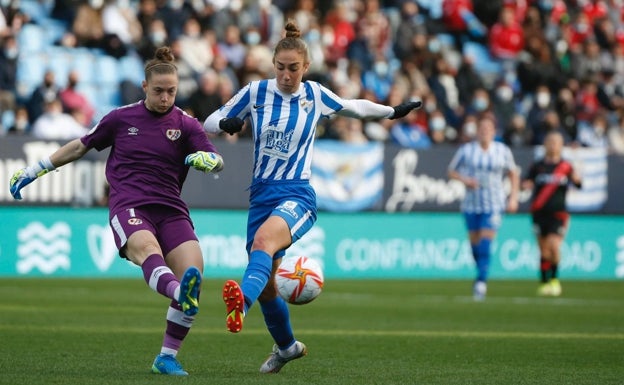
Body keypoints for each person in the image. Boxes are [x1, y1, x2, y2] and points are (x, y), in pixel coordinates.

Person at [202, 21, 421, 373]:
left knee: (262, 243)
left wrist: (392, 111)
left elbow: (354, 106)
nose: (286, 75)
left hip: (297, 195)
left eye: (293, 69)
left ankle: (240, 304)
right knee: (269, 286)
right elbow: (210, 119)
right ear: (273, 66)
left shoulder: (314, 95)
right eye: (280, 68)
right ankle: (287, 347)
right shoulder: (255, 92)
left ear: (305, 68)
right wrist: (225, 124)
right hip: (260, 196)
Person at [9, 46, 224, 376]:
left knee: (195, 271)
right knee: (147, 251)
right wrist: (35, 169)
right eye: (158, 91)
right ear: (144, 87)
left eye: (171, 91)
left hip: (171, 209)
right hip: (130, 205)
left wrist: (212, 162)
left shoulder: (187, 125)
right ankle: (182, 293)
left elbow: (216, 159)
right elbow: (80, 145)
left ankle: (166, 356)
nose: (165, 98)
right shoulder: (121, 118)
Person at [448, 114, 519, 301]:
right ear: (477, 132)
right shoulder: (466, 150)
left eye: (488, 129)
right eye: (482, 129)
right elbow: (451, 171)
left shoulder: (502, 151)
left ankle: (481, 282)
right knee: (475, 247)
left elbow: (513, 173)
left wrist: (513, 198)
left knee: (486, 243)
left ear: (494, 132)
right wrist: (466, 180)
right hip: (471, 204)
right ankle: (480, 273)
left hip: (494, 204)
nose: (485, 132)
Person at [521, 131, 582, 296]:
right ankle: (543, 282)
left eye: (556, 142)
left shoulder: (566, 167)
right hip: (539, 213)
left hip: (558, 214)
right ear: (545, 144)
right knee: (543, 249)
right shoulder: (537, 166)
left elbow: (578, 184)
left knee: (554, 246)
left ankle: (554, 279)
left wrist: (577, 179)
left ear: (561, 145)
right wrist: (525, 185)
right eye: (550, 141)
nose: (553, 145)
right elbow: (526, 182)